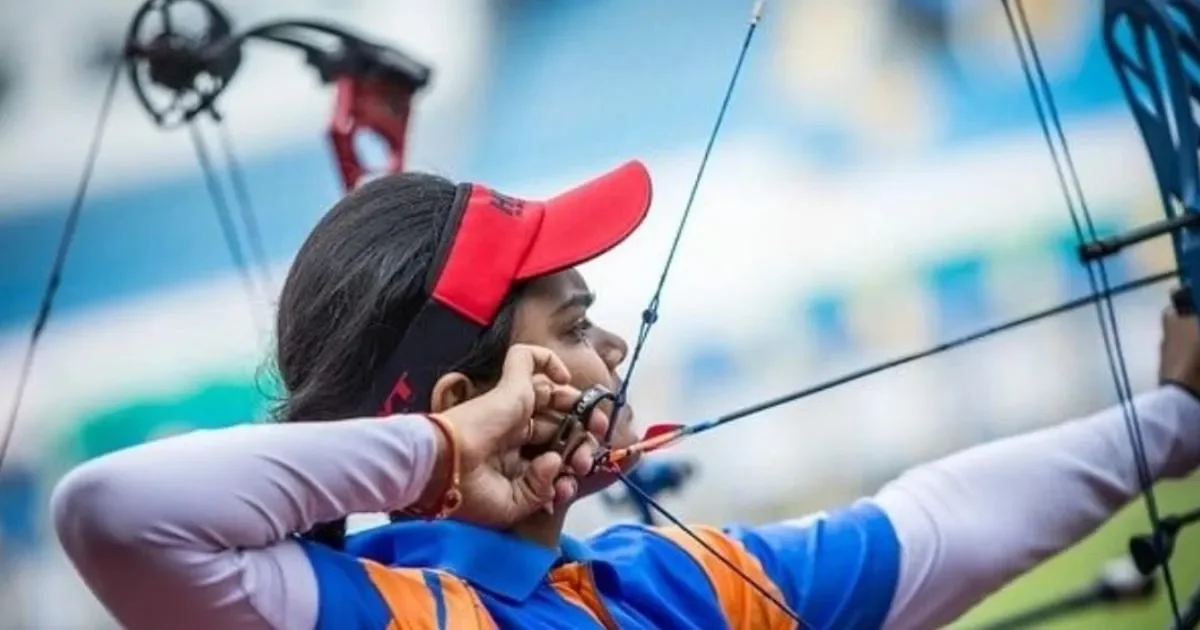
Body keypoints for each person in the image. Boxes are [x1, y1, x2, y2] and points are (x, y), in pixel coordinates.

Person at [51, 161, 1200, 630]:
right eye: (572, 325)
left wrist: (1174, 420)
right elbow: (113, 513)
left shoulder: (668, 584)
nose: (612, 346)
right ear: (470, 398)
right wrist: (444, 449)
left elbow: (932, 525)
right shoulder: (379, 613)